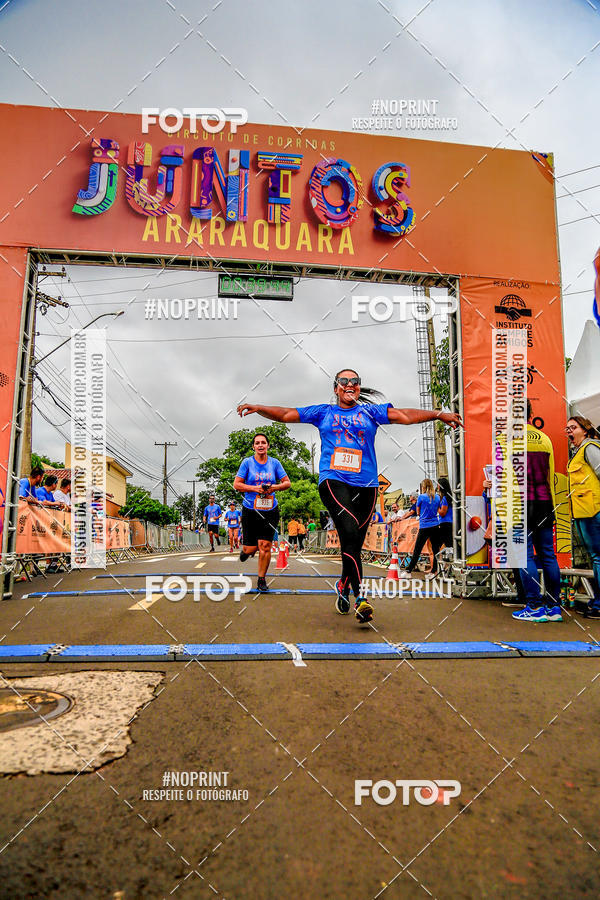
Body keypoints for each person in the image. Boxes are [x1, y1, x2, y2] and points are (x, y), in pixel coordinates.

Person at [237, 368, 461, 622]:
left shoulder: (370, 412)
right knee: (350, 534)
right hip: (334, 481)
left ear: (358, 387)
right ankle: (361, 599)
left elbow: (403, 416)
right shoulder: (324, 412)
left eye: (355, 381)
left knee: (352, 543)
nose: (349, 384)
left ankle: (343, 585)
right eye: (344, 381)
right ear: (336, 388)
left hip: (366, 486)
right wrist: (259, 407)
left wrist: (438, 414)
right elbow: (288, 414)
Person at [512, 400, 562, 623]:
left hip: (519, 504)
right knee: (548, 555)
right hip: (544, 502)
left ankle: (534, 606)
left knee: (524, 555)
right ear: (531, 413)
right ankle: (554, 607)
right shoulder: (545, 438)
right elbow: (551, 475)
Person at [233, 432, 291, 592]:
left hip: (270, 509)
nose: (260, 445)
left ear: (268, 446)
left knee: (265, 545)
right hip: (250, 509)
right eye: (257, 443)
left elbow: (287, 483)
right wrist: (254, 488)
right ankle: (246, 551)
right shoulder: (247, 463)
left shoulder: (275, 463)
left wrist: (274, 487)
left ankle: (261, 579)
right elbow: (237, 484)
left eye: (263, 443)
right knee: (250, 549)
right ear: (253, 446)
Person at [566, 415, 600, 617]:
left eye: (573, 427)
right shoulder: (578, 452)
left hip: (593, 511)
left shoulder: (589, 448)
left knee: (598, 557)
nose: (569, 431)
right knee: (595, 557)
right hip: (583, 512)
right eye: (567, 428)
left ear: (585, 430)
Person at [405, 479, 443, 576]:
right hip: (435, 524)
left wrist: (421, 514)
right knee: (435, 550)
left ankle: (409, 570)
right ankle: (434, 571)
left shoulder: (421, 497)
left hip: (424, 525)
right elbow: (438, 510)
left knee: (418, 549)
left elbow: (418, 511)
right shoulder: (437, 497)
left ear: (424, 487)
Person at [437, 477, 453, 551]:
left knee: (446, 544)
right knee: (448, 544)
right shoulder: (448, 497)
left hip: (445, 523)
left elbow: (443, 513)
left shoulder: (445, 498)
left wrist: (436, 506)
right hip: (448, 523)